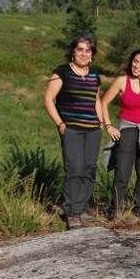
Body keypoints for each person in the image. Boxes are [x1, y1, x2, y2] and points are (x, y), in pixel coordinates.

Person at [43, 32, 104, 230]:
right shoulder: (62, 72)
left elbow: (96, 100)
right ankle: (72, 212)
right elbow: (48, 99)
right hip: (72, 130)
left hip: (93, 130)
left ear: (92, 54)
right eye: (80, 49)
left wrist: (101, 122)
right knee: (74, 168)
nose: (84, 53)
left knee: (89, 168)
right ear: (73, 52)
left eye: (88, 50)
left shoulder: (95, 74)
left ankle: (82, 206)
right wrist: (60, 124)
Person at [101, 49, 140, 220]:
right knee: (122, 172)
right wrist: (108, 126)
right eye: (135, 61)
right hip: (127, 130)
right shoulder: (122, 81)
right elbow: (103, 102)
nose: (137, 65)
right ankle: (116, 210)